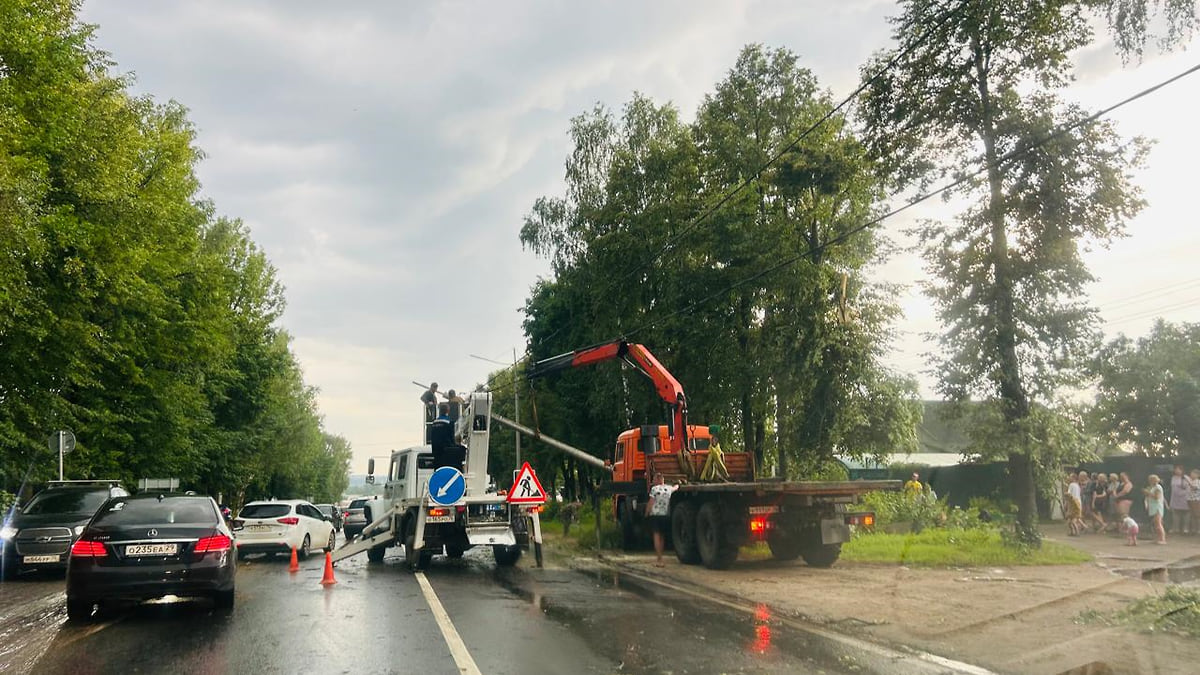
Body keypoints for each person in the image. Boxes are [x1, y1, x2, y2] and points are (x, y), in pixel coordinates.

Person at [646, 474, 678, 567]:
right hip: (665, 515)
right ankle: (661, 558)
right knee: (662, 536)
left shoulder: (654, 489)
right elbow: (676, 487)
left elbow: (651, 502)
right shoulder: (668, 488)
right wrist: (678, 484)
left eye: (654, 479)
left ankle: (659, 558)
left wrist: (646, 512)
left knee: (656, 536)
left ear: (657, 480)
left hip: (656, 515)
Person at [1168, 464, 1191, 535]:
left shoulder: (1186, 478)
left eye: (1178, 469)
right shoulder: (1173, 478)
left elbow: (1189, 487)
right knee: (1175, 514)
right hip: (1175, 498)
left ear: (1182, 470)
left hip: (1184, 498)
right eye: (1176, 469)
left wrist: (1183, 493)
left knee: (1186, 514)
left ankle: (1185, 528)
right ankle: (1176, 528)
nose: (1177, 471)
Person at [1144, 474, 1166, 544]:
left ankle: (1162, 539)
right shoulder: (1152, 487)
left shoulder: (1158, 487)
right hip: (1153, 506)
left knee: (1158, 523)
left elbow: (1157, 497)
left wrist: (1148, 493)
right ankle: (1158, 538)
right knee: (1156, 524)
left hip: (1157, 507)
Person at [1066, 472, 1083, 536]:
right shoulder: (1077, 485)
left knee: (1072, 521)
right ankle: (1073, 532)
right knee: (1071, 520)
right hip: (1078, 502)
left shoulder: (1071, 485)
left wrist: (1066, 501)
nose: (1068, 478)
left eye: (1070, 477)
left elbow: (1069, 494)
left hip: (1073, 503)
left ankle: (1076, 532)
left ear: (1073, 478)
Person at [1188, 469, 1200, 535]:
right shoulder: (1192, 481)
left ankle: (1198, 529)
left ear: (1197, 475)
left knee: (1197, 515)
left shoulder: (1197, 481)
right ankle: (1193, 529)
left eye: (1193, 473)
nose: (1191, 475)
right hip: (1191, 500)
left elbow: (1195, 488)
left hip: (1196, 500)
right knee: (1192, 515)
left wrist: (1188, 482)